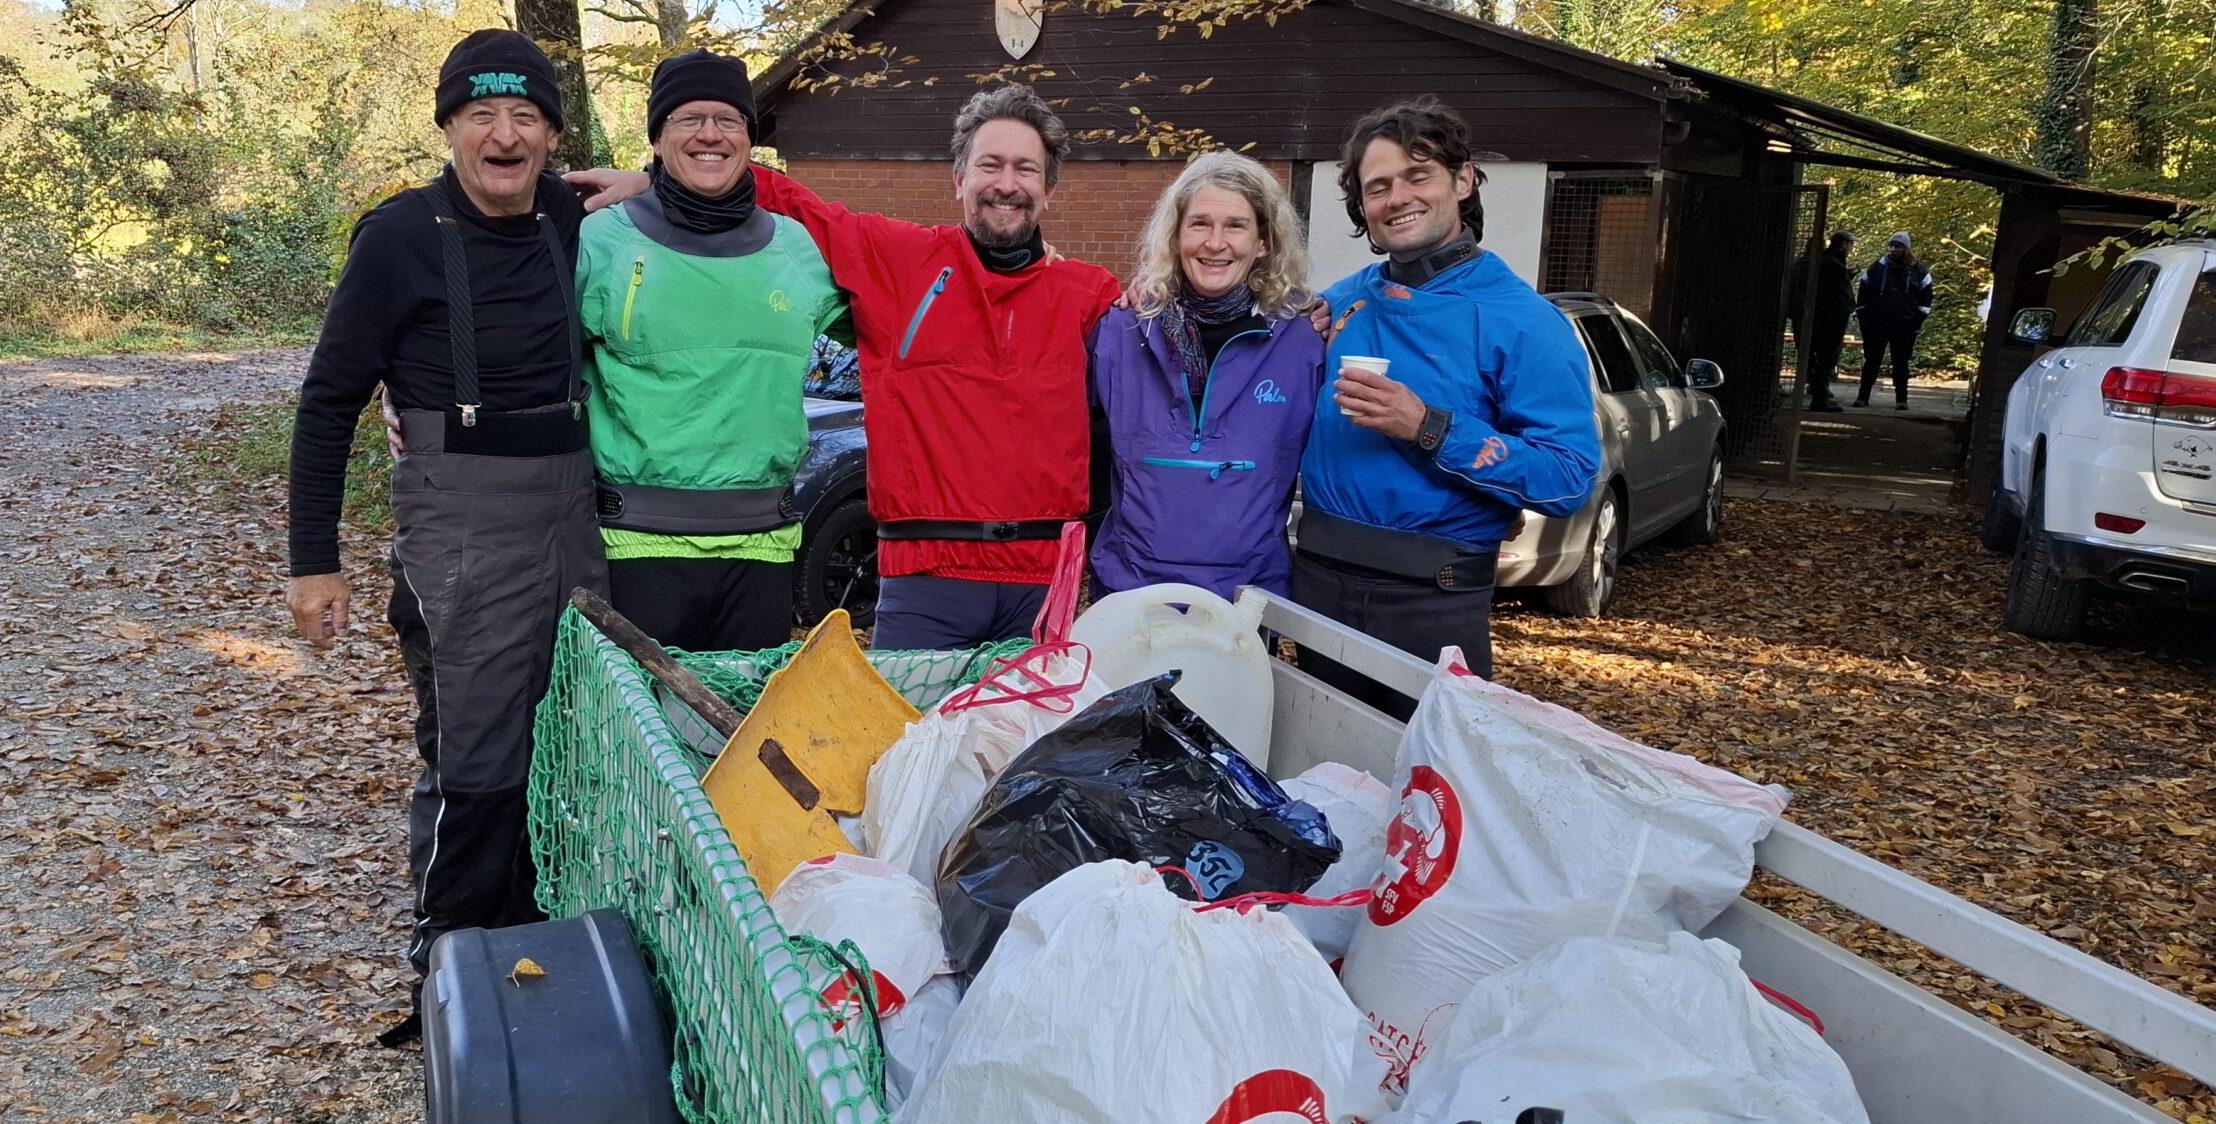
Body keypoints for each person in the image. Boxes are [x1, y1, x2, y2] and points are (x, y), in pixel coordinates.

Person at [286, 30, 605, 1043]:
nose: (504, 135)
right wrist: (313, 561)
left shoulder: (569, 210)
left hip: (570, 509)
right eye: (482, 115)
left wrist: (644, 175)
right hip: (457, 520)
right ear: (451, 128)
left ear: (553, 136)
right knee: (475, 752)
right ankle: (452, 968)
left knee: (570, 736)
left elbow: (696, 187)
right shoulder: (399, 237)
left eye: (526, 118)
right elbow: (331, 398)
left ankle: (542, 941)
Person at [574, 84, 1120, 652]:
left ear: (1050, 188)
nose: (1006, 183)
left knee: (1029, 741)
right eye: (990, 164)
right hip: (925, 578)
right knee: (912, 741)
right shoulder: (900, 260)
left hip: (1042, 581)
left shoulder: (1092, 295)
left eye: (1025, 168)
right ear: (959, 178)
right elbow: (796, 204)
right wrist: (656, 182)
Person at [1295, 98, 1600, 708]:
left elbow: (1568, 478)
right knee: (1318, 782)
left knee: (1425, 791)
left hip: (1432, 600)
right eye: (1376, 186)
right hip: (1315, 585)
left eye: (1418, 174)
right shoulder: (1337, 305)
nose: (1396, 197)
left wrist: (1428, 426)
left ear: (1462, 182)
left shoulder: (1524, 320)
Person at [578, 50, 848, 651]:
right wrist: (418, 393)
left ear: (750, 139)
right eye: (687, 118)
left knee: (740, 738)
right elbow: (527, 357)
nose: (709, 134)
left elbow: (903, 329)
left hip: (764, 545)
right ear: (656, 137)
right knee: (644, 741)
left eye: (728, 120)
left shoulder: (799, 249)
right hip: (636, 543)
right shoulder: (602, 240)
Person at [1088, 151, 1324, 597]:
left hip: (1245, 601)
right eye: (1199, 224)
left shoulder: (1305, 342)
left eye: (1235, 225)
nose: (1216, 243)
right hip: (1129, 593)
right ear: (1175, 236)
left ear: (1264, 242)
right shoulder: (1120, 331)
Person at [1854, 230, 1935, 408]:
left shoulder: (1919, 271)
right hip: (1877, 324)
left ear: (1906, 248)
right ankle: (1862, 397)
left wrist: (1913, 321)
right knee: (1872, 361)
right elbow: (1863, 295)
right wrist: (1865, 317)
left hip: (1904, 326)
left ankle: (1901, 399)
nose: (1893, 249)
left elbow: (1925, 301)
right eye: (1891, 245)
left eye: (1897, 246)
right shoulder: (1877, 268)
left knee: (1900, 363)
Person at [1785, 229, 1856, 410]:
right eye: (1850, 244)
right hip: (1830, 320)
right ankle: (1820, 396)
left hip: (1814, 318)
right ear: (1844, 245)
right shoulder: (1832, 264)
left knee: (1812, 355)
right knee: (1827, 357)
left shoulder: (1815, 264)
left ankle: (1817, 391)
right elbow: (1834, 294)